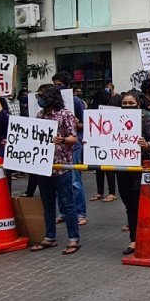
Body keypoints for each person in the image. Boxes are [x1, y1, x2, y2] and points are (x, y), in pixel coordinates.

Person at [29, 84, 81, 255]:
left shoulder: (65, 114)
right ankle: (49, 236)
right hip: (43, 165)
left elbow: (73, 138)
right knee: (47, 204)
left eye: (42, 95)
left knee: (68, 203)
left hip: (61, 166)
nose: (40, 99)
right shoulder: (39, 115)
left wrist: (62, 140)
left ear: (51, 96)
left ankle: (73, 238)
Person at [114, 92, 150, 255]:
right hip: (122, 165)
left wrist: (147, 145)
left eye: (131, 103)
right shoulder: (115, 118)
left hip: (141, 167)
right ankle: (134, 239)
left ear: (138, 103)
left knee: (140, 202)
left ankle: (147, 235)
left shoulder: (147, 118)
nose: (127, 105)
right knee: (129, 204)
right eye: (125, 103)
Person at [52, 72, 87, 226]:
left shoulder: (76, 102)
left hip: (73, 145)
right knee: (59, 180)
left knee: (74, 181)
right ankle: (64, 211)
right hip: (56, 147)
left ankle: (80, 212)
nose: (57, 87)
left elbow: (85, 124)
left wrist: (75, 123)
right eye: (55, 84)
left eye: (59, 85)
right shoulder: (52, 105)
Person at [92, 93, 121, 203]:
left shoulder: (97, 112)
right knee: (103, 169)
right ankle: (109, 192)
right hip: (105, 143)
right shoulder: (110, 110)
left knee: (104, 169)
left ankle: (105, 192)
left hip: (100, 143)